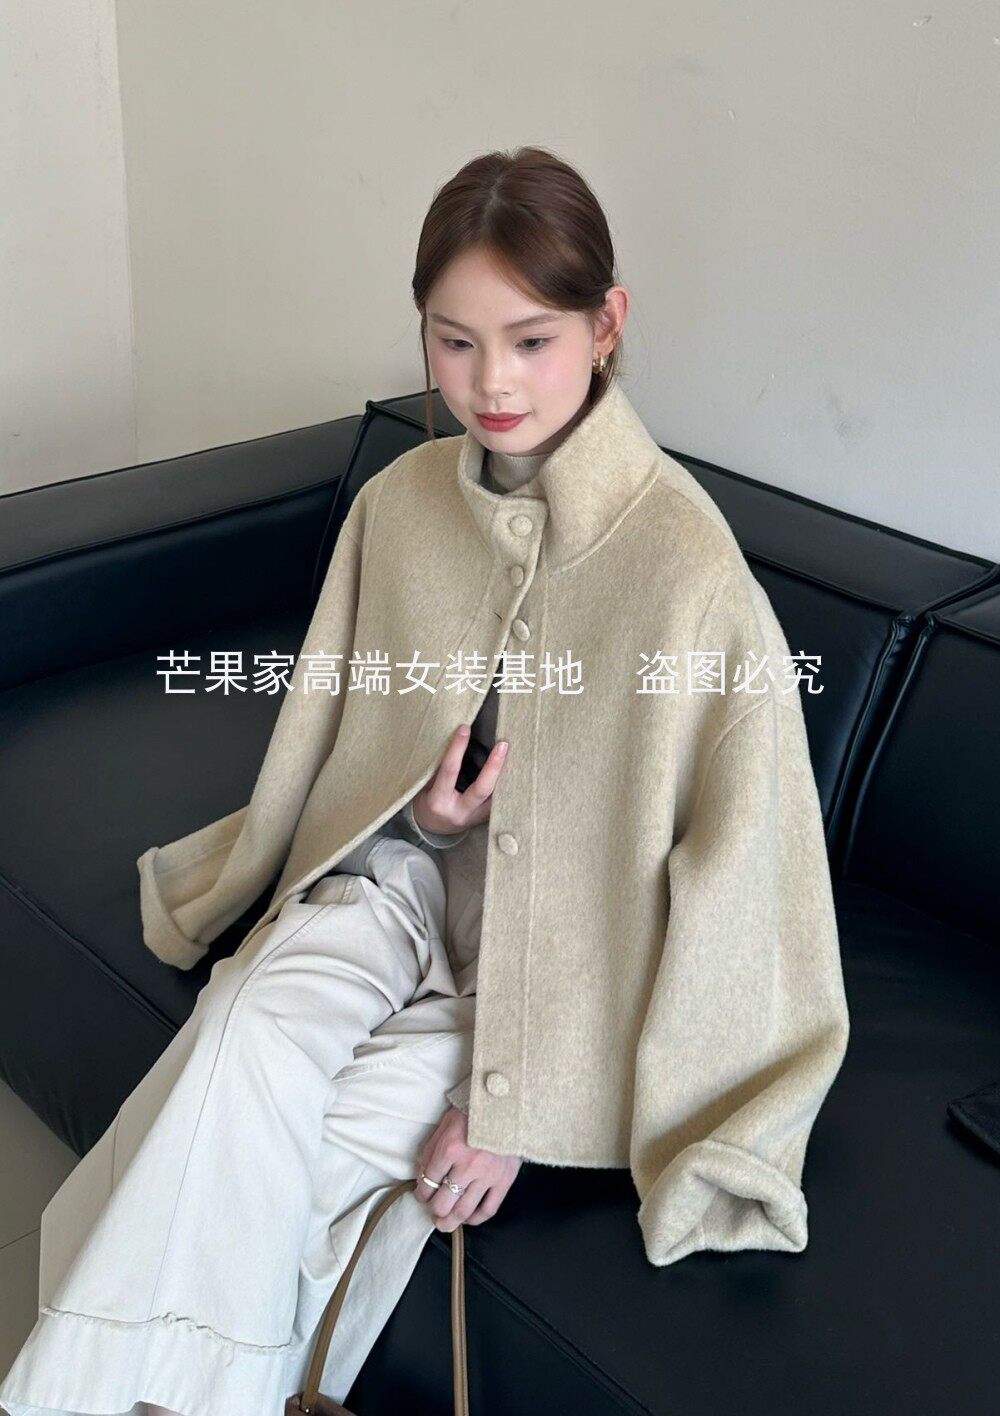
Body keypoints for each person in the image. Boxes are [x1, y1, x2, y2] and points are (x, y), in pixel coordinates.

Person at [1, 144, 849, 1416]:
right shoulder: (399, 505)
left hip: (546, 972)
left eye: (531, 340)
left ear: (606, 325)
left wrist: (522, 1107)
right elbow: (335, 745)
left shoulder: (688, 570)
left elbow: (747, 884)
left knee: (309, 1151)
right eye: (454, 342)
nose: (490, 382)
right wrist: (426, 812)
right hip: (394, 881)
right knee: (241, 1039)